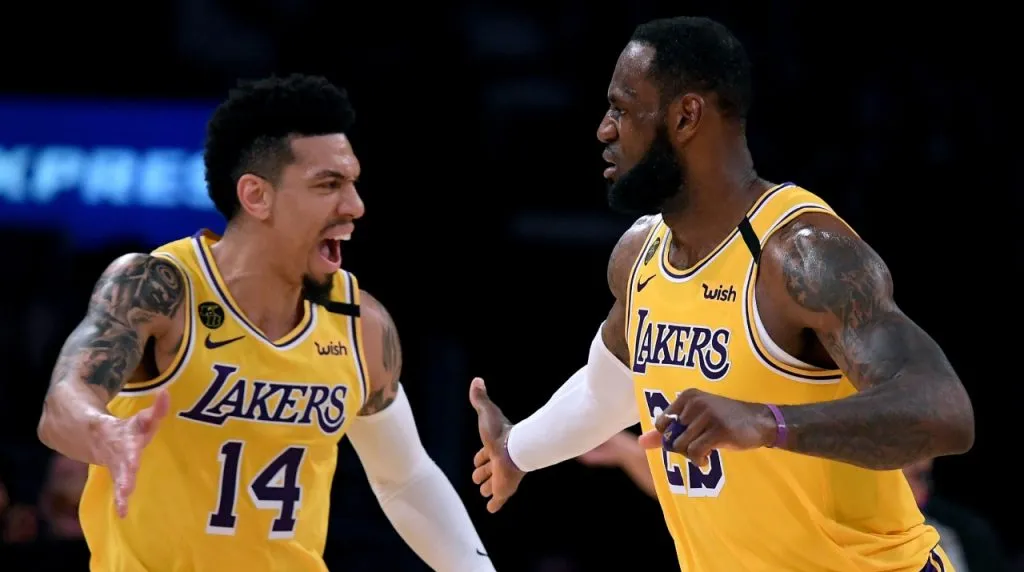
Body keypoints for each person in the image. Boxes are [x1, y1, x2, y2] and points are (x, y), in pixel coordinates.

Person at [469, 16, 975, 572]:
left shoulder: (802, 254)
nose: (604, 129)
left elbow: (944, 413)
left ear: (686, 116)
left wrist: (767, 422)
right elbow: (608, 388)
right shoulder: (639, 256)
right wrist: (517, 448)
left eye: (621, 108)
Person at [37, 74, 495, 572]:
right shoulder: (160, 289)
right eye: (328, 185)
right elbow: (63, 404)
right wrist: (103, 432)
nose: (355, 206)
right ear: (256, 196)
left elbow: (404, 478)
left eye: (354, 183)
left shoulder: (359, 322)